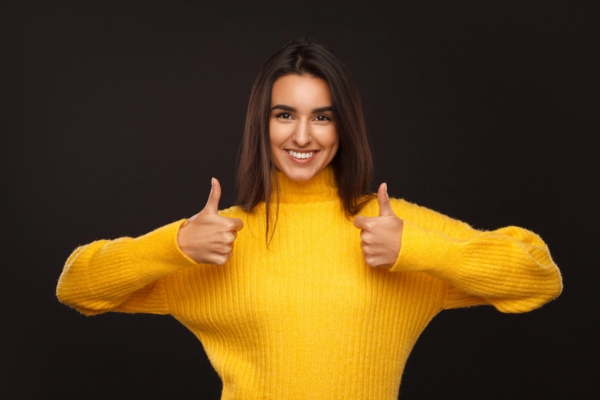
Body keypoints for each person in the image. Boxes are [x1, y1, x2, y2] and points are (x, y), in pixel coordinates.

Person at [56, 38, 563, 399]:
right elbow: (77, 285)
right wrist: (175, 245)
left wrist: (418, 249)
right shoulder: (218, 240)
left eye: (322, 116)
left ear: (343, 126)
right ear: (263, 123)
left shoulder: (390, 230)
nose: (303, 136)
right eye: (285, 115)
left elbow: (538, 275)